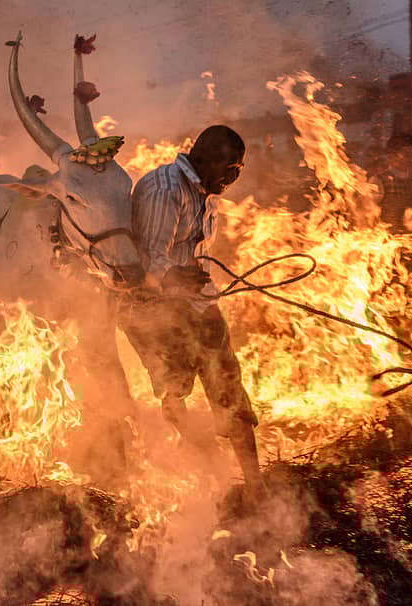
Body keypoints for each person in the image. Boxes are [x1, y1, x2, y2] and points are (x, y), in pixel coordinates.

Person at [117, 125, 263, 492]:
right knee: (176, 393)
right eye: (230, 168)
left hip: (198, 305)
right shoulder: (165, 189)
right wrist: (175, 278)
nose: (233, 177)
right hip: (154, 310)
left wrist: (197, 286)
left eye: (238, 170)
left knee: (229, 387)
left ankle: (256, 486)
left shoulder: (205, 193)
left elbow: (191, 255)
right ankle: (215, 478)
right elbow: (151, 260)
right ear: (203, 159)